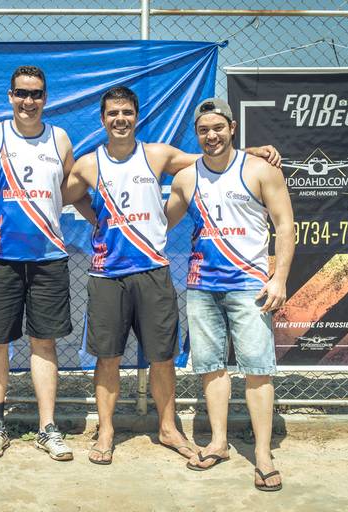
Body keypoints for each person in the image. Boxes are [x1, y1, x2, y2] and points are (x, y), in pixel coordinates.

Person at [61, 87, 280, 465]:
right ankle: (107, 431)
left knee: (162, 357)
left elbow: (210, 156)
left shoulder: (157, 154)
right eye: (113, 113)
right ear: (102, 119)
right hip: (107, 274)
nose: (120, 119)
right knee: (108, 358)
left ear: (136, 116)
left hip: (153, 271)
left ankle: (167, 428)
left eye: (127, 112)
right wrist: (95, 217)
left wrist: (252, 152)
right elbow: (67, 195)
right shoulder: (88, 164)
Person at [165, 98, 294, 491]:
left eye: (218, 128)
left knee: (257, 369)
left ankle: (263, 455)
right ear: (196, 134)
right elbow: (160, 222)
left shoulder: (260, 169)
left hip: (249, 286)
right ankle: (218, 443)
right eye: (204, 130)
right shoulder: (186, 178)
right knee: (211, 367)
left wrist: (279, 279)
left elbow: (285, 225)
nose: (212, 136)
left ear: (232, 128)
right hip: (202, 285)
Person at [0, 65, 94, 461]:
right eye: (21, 93)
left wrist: (102, 223)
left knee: (45, 342)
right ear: (10, 96)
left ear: (45, 97)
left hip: (48, 259)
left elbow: (72, 190)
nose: (28, 100)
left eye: (36, 93)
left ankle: (47, 427)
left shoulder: (60, 138)